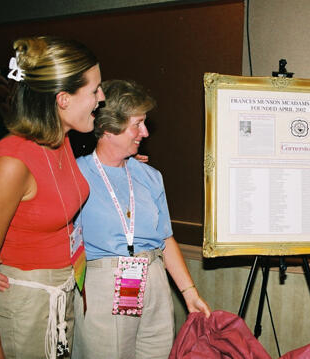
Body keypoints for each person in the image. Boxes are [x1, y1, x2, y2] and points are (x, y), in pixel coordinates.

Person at [0, 36, 104, 359]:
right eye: (94, 90)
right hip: (24, 305)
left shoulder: (60, 140)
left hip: (59, 295)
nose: (101, 98)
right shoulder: (12, 162)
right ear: (63, 100)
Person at [72, 79, 210, 359]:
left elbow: (165, 238)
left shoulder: (150, 176)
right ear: (109, 127)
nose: (145, 132)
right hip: (103, 285)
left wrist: (189, 292)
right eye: (137, 124)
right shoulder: (76, 175)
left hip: (155, 281)